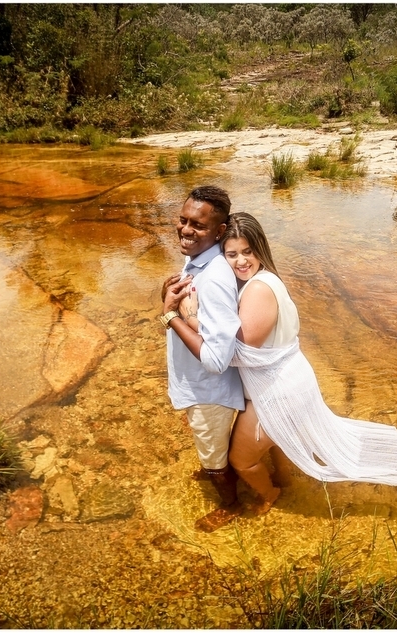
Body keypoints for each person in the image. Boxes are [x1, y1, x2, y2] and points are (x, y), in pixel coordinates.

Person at [171, 212, 397, 516]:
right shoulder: (260, 281)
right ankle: (284, 480)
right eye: (231, 254)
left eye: (248, 251)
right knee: (275, 441)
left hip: (278, 392)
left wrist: (187, 318)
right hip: (284, 382)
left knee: (241, 460)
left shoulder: (258, 289)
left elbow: (234, 354)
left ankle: (269, 494)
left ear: (260, 248)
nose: (241, 261)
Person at [159, 185, 245, 533]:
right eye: (183, 220)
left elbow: (216, 359)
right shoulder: (198, 259)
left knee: (213, 459)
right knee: (212, 449)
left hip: (210, 392)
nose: (185, 230)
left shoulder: (215, 279)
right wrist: (167, 295)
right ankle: (218, 465)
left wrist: (168, 316)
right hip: (198, 386)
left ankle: (232, 504)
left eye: (198, 225)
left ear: (220, 231)